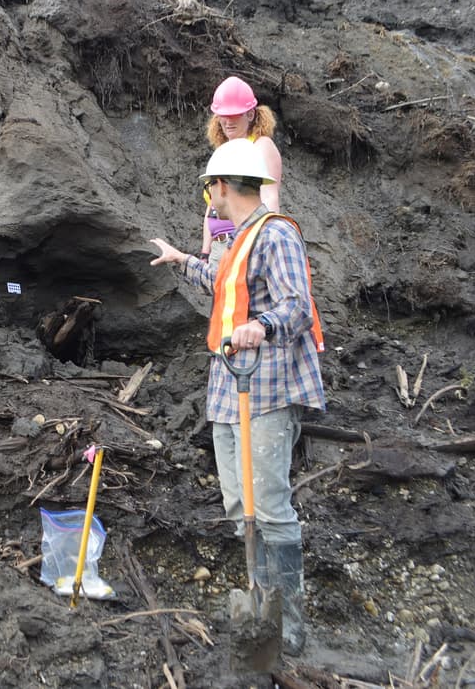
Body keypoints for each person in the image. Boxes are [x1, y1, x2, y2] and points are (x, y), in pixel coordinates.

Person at [149, 138, 325, 657]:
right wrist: (183, 260)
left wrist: (261, 327)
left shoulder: (277, 234)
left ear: (222, 186)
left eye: (210, 189)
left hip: (266, 388)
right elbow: (226, 285)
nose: (210, 198)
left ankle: (287, 621)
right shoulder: (240, 238)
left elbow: (297, 305)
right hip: (229, 388)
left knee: (268, 506)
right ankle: (260, 600)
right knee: (239, 504)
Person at [200, 77, 283, 264]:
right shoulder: (223, 152)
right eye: (223, 115)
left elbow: (270, 197)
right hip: (218, 248)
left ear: (250, 114)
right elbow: (211, 206)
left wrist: (260, 243)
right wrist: (205, 252)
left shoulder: (261, 146)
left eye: (235, 115)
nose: (228, 121)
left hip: (245, 241)